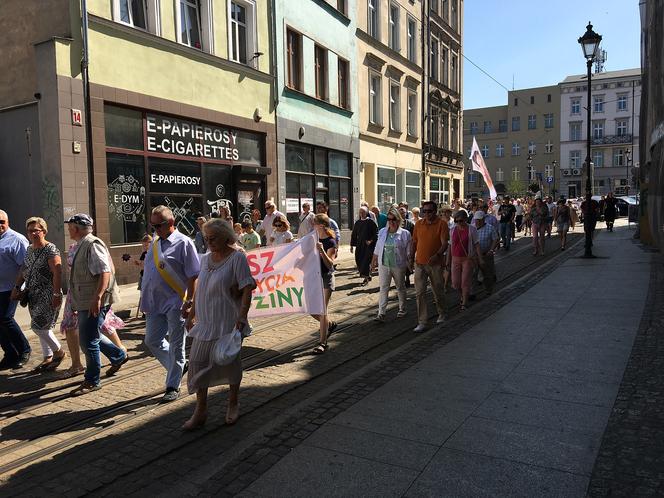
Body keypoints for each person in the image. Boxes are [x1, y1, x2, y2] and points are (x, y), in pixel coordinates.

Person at [182, 219, 256, 430]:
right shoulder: (204, 260)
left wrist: (242, 316)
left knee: (228, 363)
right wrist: (191, 314)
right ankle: (201, 409)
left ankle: (233, 403)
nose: (209, 242)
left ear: (226, 237)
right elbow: (200, 290)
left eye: (213, 238)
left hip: (227, 321)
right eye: (206, 239)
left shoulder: (237, 258)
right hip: (205, 322)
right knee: (197, 363)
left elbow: (247, 287)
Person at [141, 206, 200, 403]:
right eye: (152, 225)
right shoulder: (155, 244)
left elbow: (194, 275)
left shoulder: (184, 243)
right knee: (152, 340)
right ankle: (179, 367)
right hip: (154, 303)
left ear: (171, 223)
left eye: (158, 225)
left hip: (176, 301)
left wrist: (190, 301)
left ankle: (172, 386)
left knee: (177, 345)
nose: (155, 229)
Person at [65, 214, 128, 395]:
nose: (68, 230)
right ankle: (118, 355)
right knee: (91, 335)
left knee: (88, 341)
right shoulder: (81, 244)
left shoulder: (92, 244)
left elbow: (104, 271)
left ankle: (92, 380)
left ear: (77, 228)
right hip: (85, 299)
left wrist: (98, 297)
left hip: (93, 300)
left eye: (70, 227)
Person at [11, 217, 65, 372]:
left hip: (48, 293)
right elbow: (24, 269)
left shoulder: (50, 249)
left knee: (38, 327)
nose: (33, 233)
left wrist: (56, 294)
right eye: (30, 230)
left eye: (36, 230)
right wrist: (17, 286)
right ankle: (48, 357)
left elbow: (57, 272)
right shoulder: (29, 249)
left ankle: (59, 352)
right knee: (43, 326)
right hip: (33, 294)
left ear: (44, 231)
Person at [410, 201, 449, 333]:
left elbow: (445, 244)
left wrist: (437, 255)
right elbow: (414, 242)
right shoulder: (418, 224)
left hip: (435, 264)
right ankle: (422, 321)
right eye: (424, 211)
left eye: (429, 211)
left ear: (435, 211)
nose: (427, 213)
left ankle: (442, 313)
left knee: (438, 290)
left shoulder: (442, 224)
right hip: (420, 263)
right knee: (420, 293)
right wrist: (410, 258)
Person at [0, 209, 32, 370]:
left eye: (2, 222)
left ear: (8, 222)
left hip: (11, 288)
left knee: (6, 319)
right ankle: (9, 353)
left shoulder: (17, 240)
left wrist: (20, 287)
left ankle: (24, 350)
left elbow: (26, 265)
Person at [371, 208, 411, 321]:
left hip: (398, 265)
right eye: (389, 219)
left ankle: (402, 309)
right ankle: (381, 313)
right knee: (384, 288)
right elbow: (378, 247)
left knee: (400, 287)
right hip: (384, 264)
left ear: (398, 220)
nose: (391, 221)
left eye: (394, 219)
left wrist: (410, 262)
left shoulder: (405, 234)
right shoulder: (383, 231)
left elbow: (408, 251)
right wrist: (373, 261)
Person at [447, 210, 483, 311]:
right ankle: (463, 295)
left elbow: (476, 244)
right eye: (456, 221)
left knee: (465, 282)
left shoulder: (472, 229)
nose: (459, 223)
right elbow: (450, 246)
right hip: (455, 259)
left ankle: (464, 303)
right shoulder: (452, 230)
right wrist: (447, 261)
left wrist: (480, 258)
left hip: (468, 259)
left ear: (466, 220)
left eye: (461, 221)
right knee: (455, 283)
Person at [311, 214, 337, 354]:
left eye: (314, 223)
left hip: (326, 277)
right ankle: (329, 324)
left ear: (321, 225)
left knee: (322, 310)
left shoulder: (330, 242)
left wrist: (321, 250)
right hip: (314, 278)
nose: (312, 226)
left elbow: (330, 264)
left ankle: (323, 342)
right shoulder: (312, 239)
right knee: (311, 309)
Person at [350, 207, 378, 286]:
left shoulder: (371, 222)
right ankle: (367, 275)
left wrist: (371, 240)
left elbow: (376, 233)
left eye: (363, 212)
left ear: (366, 213)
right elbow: (354, 234)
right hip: (360, 245)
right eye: (360, 212)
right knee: (358, 260)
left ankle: (366, 277)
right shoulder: (358, 223)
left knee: (366, 262)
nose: (361, 214)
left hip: (368, 246)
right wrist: (352, 245)